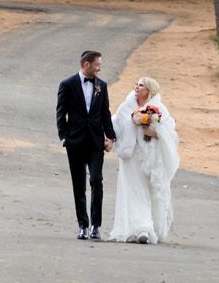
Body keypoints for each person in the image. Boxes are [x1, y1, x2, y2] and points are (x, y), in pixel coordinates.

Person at [107, 74, 180, 245]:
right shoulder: (126, 106)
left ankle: (150, 226)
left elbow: (170, 133)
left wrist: (152, 132)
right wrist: (110, 139)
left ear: (149, 91)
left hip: (149, 157)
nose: (137, 87)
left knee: (148, 191)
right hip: (129, 156)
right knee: (133, 190)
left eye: (141, 85)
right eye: (136, 84)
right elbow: (116, 124)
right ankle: (139, 228)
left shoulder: (159, 108)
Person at [56, 48, 115, 240]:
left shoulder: (101, 86)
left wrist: (111, 137)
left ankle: (95, 226)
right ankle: (83, 225)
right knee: (79, 184)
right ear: (86, 64)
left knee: (96, 180)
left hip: (96, 142)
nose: (99, 68)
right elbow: (60, 112)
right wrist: (64, 137)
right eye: (97, 64)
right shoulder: (67, 84)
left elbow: (105, 113)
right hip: (74, 141)